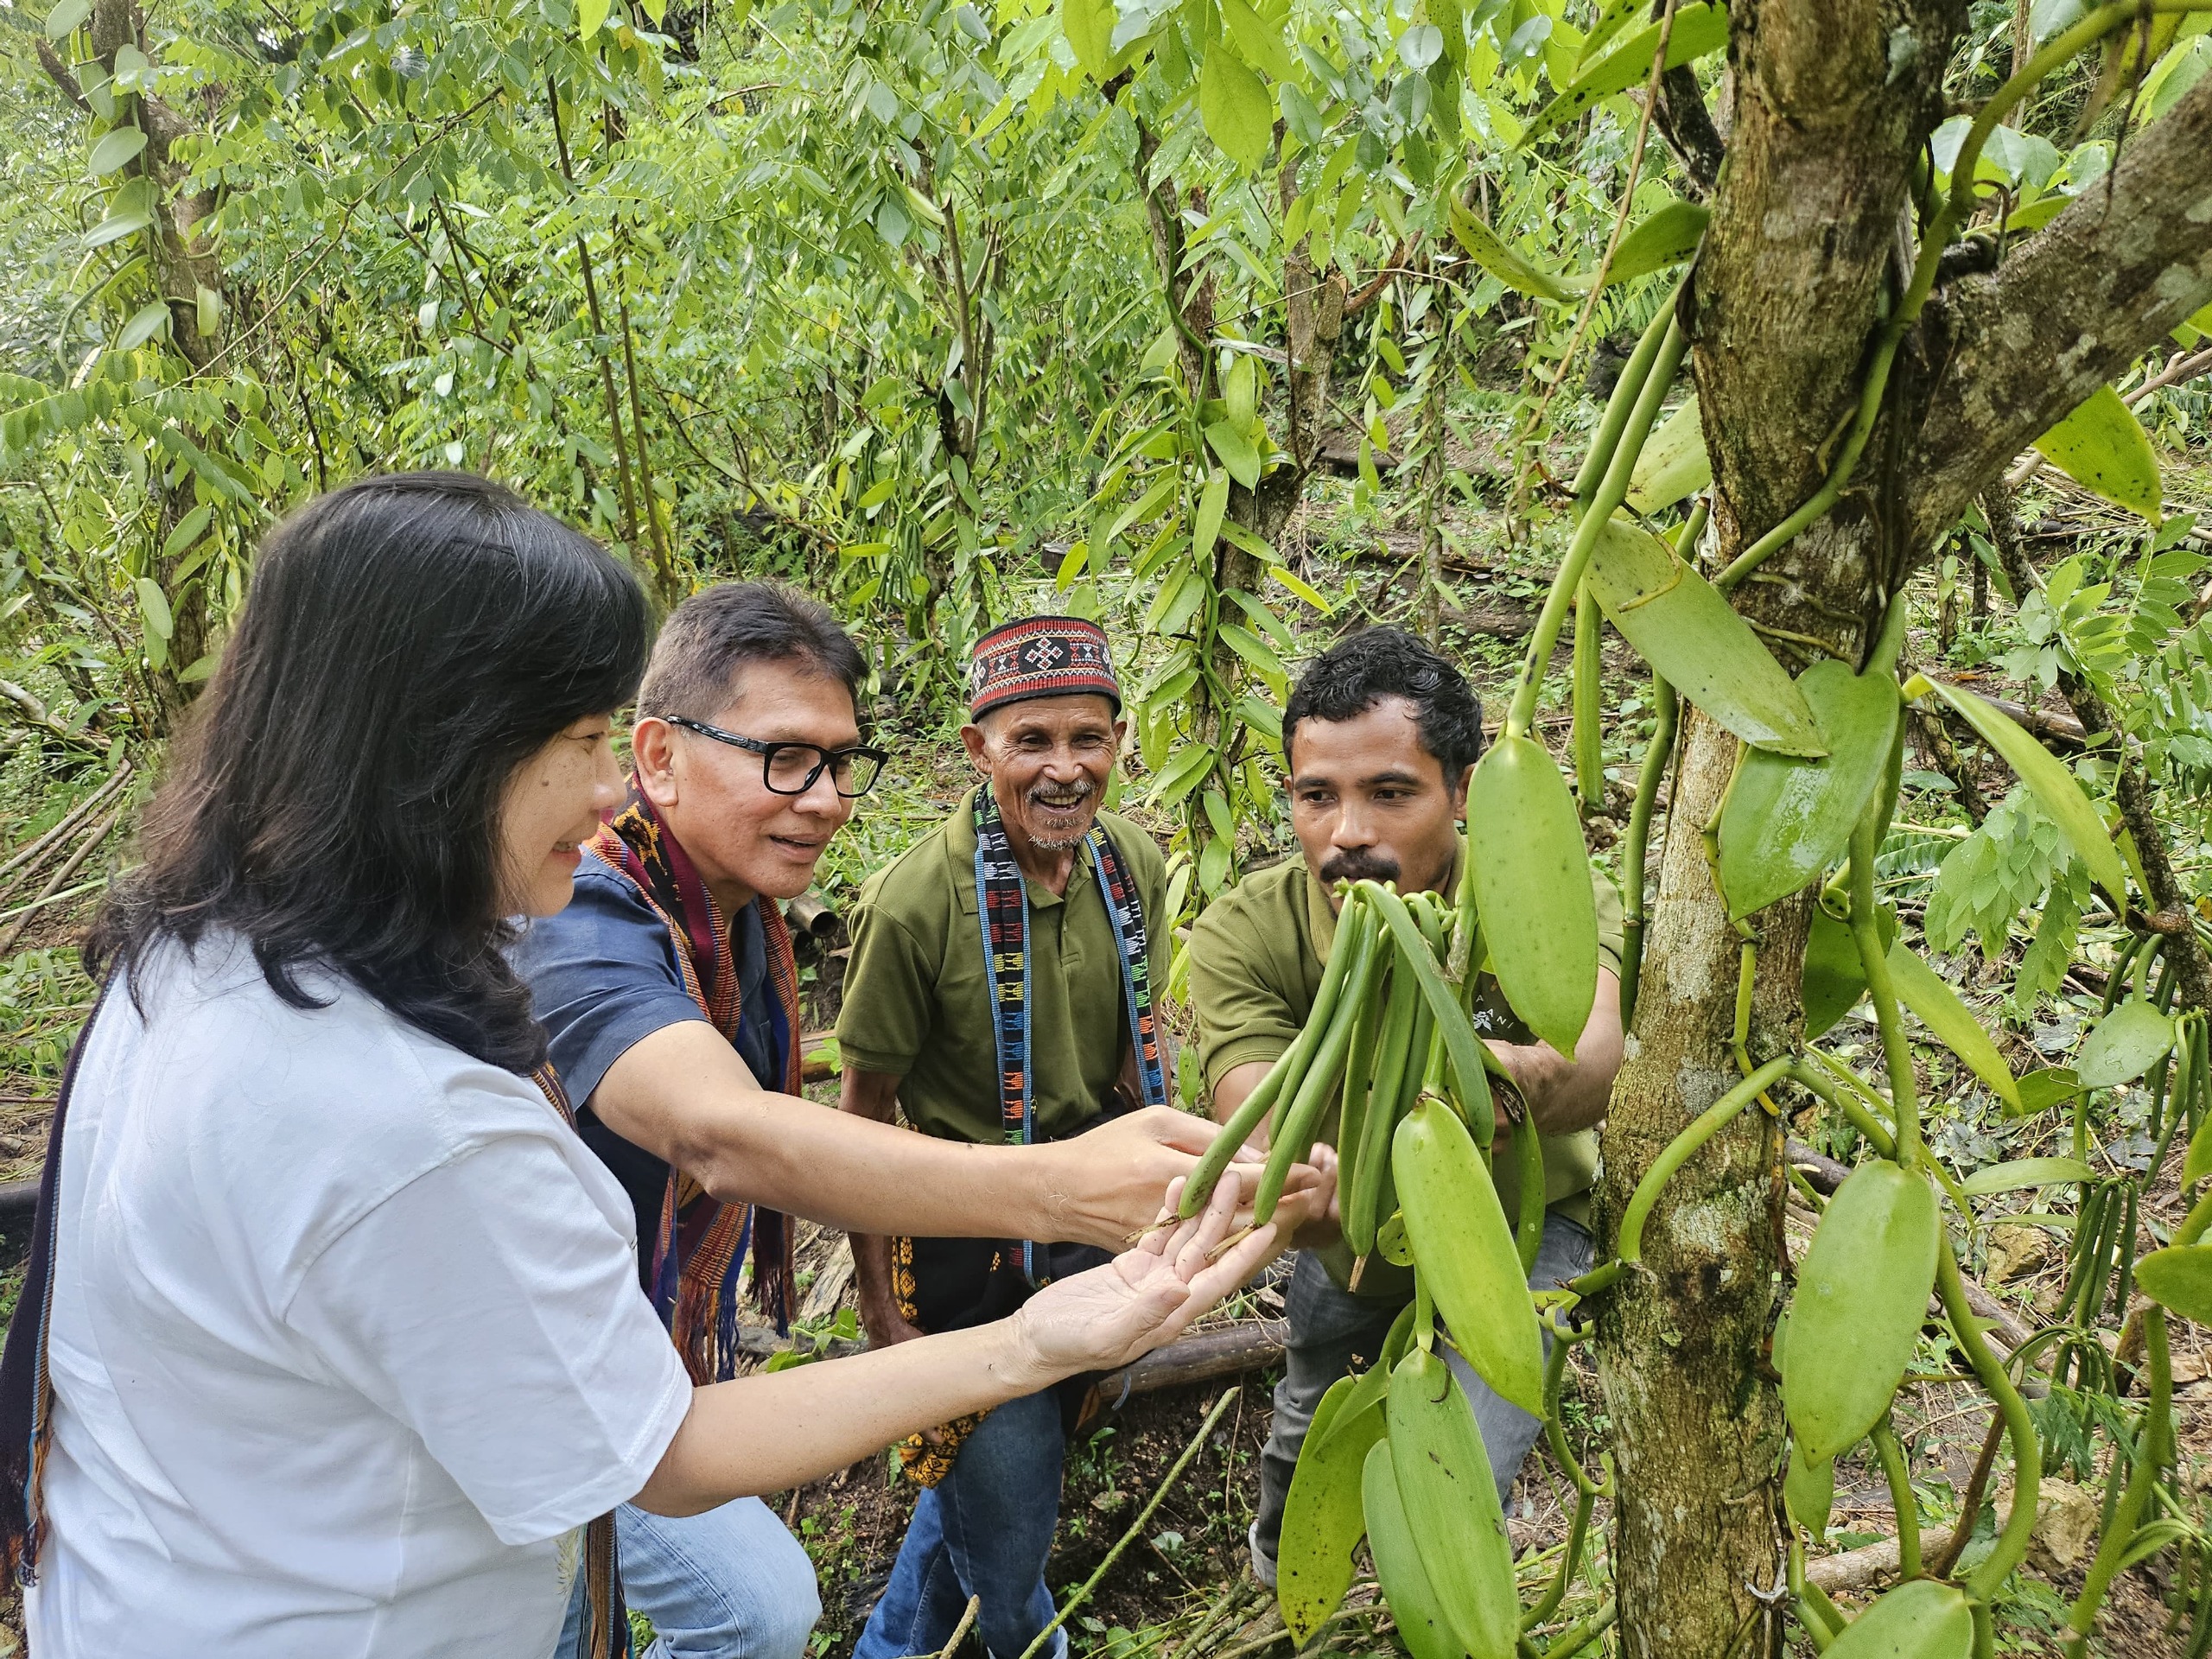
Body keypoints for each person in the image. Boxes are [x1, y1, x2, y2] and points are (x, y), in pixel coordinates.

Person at [1, 473, 1285, 1659]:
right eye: (581, 736)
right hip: (351, 1606)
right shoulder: (429, 1102)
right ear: (439, 758)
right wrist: (1049, 1242)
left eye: (841, 764)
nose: (610, 781)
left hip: (185, 1573)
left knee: (749, 1596)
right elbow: (719, 1168)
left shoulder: (197, 957)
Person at [511, 587, 1325, 1656]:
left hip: (650, 1357)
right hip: (562, 1366)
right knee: (659, 1609)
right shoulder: (590, 915)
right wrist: (1052, 1184)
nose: (827, 799)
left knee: (818, 1565)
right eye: (785, 758)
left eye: (841, 763)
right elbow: (725, 1133)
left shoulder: (738, 914)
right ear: (657, 757)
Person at [1185, 626, 1626, 1589]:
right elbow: (1263, 1129)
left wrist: (1495, 1077)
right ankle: (1282, 1588)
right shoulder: (1245, 935)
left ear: (1462, 793)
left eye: (1389, 793)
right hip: (1350, 1230)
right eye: (1316, 797)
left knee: (1464, 1463)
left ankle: (1429, 1600)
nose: (1346, 832)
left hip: (1523, 1229)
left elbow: (1593, 1063)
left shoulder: (1537, 897)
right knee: (1311, 1426)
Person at [834, 617, 1171, 1659]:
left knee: (990, 1490)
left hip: (1086, 1232)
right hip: (963, 1250)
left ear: (1119, 741)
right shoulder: (914, 907)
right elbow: (864, 1120)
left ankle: (890, 1648)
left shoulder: (1132, 869)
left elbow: (1132, 1061)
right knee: (1015, 1557)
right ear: (979, 752)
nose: (1063, 769)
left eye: (1088, 739)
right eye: (1031, 741)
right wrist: (884, 1308)